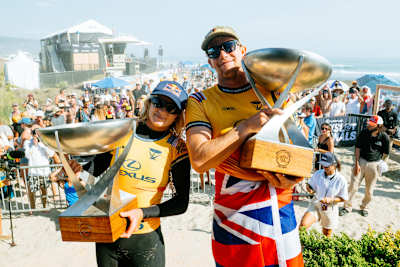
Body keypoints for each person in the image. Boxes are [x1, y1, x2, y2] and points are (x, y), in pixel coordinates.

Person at [185, 26, 303, 267]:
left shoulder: (274, 92)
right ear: (209, 61)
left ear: (243, 50)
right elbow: (198, 160)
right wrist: (245, 127)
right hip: (235, 217)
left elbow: (298, 147)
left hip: (278, 206)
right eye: (214, 51)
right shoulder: (200, 101)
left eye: (229, 47)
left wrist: (293, 177)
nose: (222, 55)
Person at [70, 81, 190, 267]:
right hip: (109, 234)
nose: (162, 111)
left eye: (171, 108)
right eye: (158, 102)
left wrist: (142, 213)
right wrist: (78, 171)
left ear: (178, 116)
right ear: (149, 103)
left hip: (146, 241)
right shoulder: (123, 131)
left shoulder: (178, 148)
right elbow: (97, 168)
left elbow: (181, 203)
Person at [340, 115, 390, 217]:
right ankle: (347, 207)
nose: (369, 126)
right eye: (369, 124)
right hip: (361, 161)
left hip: (374, 164)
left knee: (369, 190)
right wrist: (357, 163)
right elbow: (357, 148)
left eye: (372, 125)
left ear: (379, 126)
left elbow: (386, 153)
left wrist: (382, 163)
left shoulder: (384, 137)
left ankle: (364, 207)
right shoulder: (364, 133)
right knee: (352, 186)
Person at [299, 152, 348, 237]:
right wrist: (309, 188)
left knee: (327, 234)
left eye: (326, 166)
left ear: (334, 165)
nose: (324, 167)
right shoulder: (318, 173)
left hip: (330, 208)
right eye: (322, 165)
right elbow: (310, 185)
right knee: (303, 226)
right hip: (316, 203)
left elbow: (344, 198)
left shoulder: (341, 180)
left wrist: (331, 199)